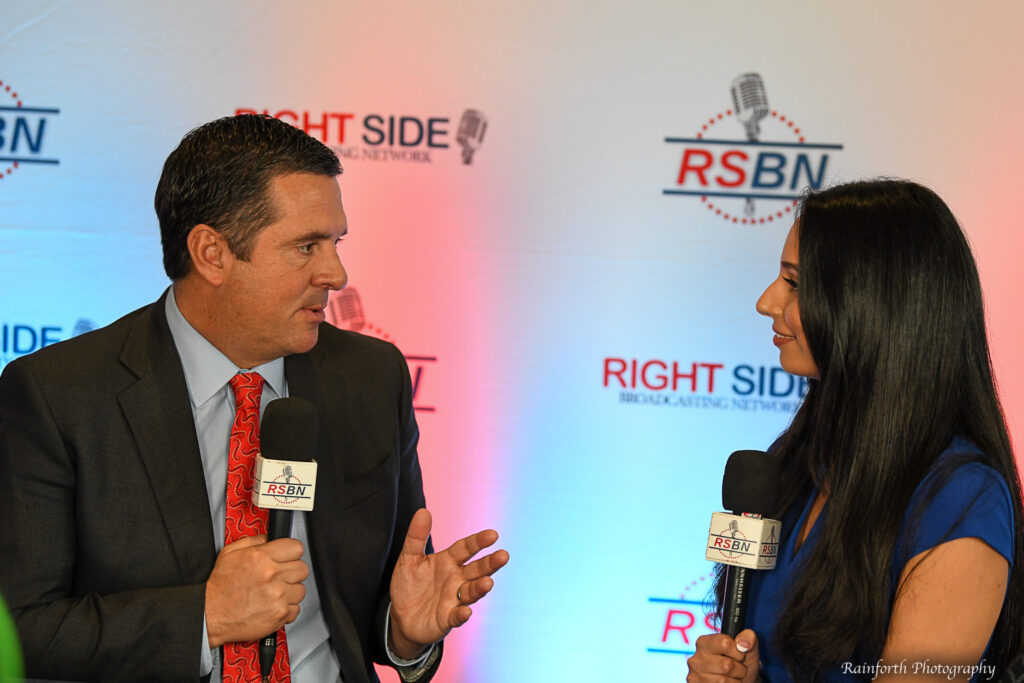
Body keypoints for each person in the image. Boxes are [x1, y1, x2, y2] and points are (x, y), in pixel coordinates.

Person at [0, 114, 508, 682]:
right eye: (306, 246)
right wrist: (206, 618)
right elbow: (21, 629)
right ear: (211, 253)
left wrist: (403, 632)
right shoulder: (58, 395)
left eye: (335, 243)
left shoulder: (370, 377)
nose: (336, 274)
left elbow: (380, 597)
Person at [687, 179, 1024, 682]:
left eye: (795, 284)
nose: (766, 302)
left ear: (874, 304)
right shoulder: (797, 460)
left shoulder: (961, 498)